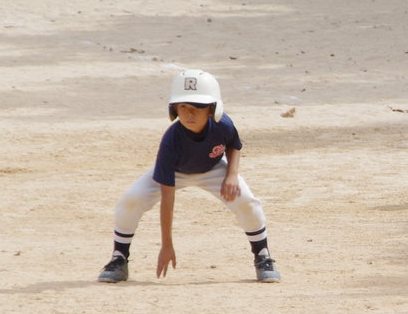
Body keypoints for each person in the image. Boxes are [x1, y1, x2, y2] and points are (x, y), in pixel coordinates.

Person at [97, 68, 281, 284]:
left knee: (247, 202)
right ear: (173, 109)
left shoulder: (224, 125)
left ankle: (263, 256)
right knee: (131, 200)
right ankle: (119, 258)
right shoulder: (171, 140)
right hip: (175, 171)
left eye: (198, 107)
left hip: (212, 169)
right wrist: (167, 244)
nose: (189, 113)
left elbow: (234, 146)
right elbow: (167, 199)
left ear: (213, 109)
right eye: (183, 106)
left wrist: (231, 175)